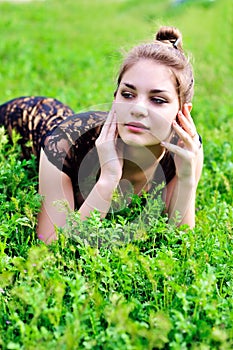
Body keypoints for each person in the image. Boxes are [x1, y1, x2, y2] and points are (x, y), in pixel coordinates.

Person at [0, 26, 203, 244]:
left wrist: (187, 179)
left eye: (158, 100)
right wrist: (107, 180)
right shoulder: (64, 144)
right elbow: (52, 245)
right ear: (115, 98)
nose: (138, 109)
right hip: (23, 120)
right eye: (128, 94)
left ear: (183, 112)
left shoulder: (186, 149)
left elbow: (181, 241)